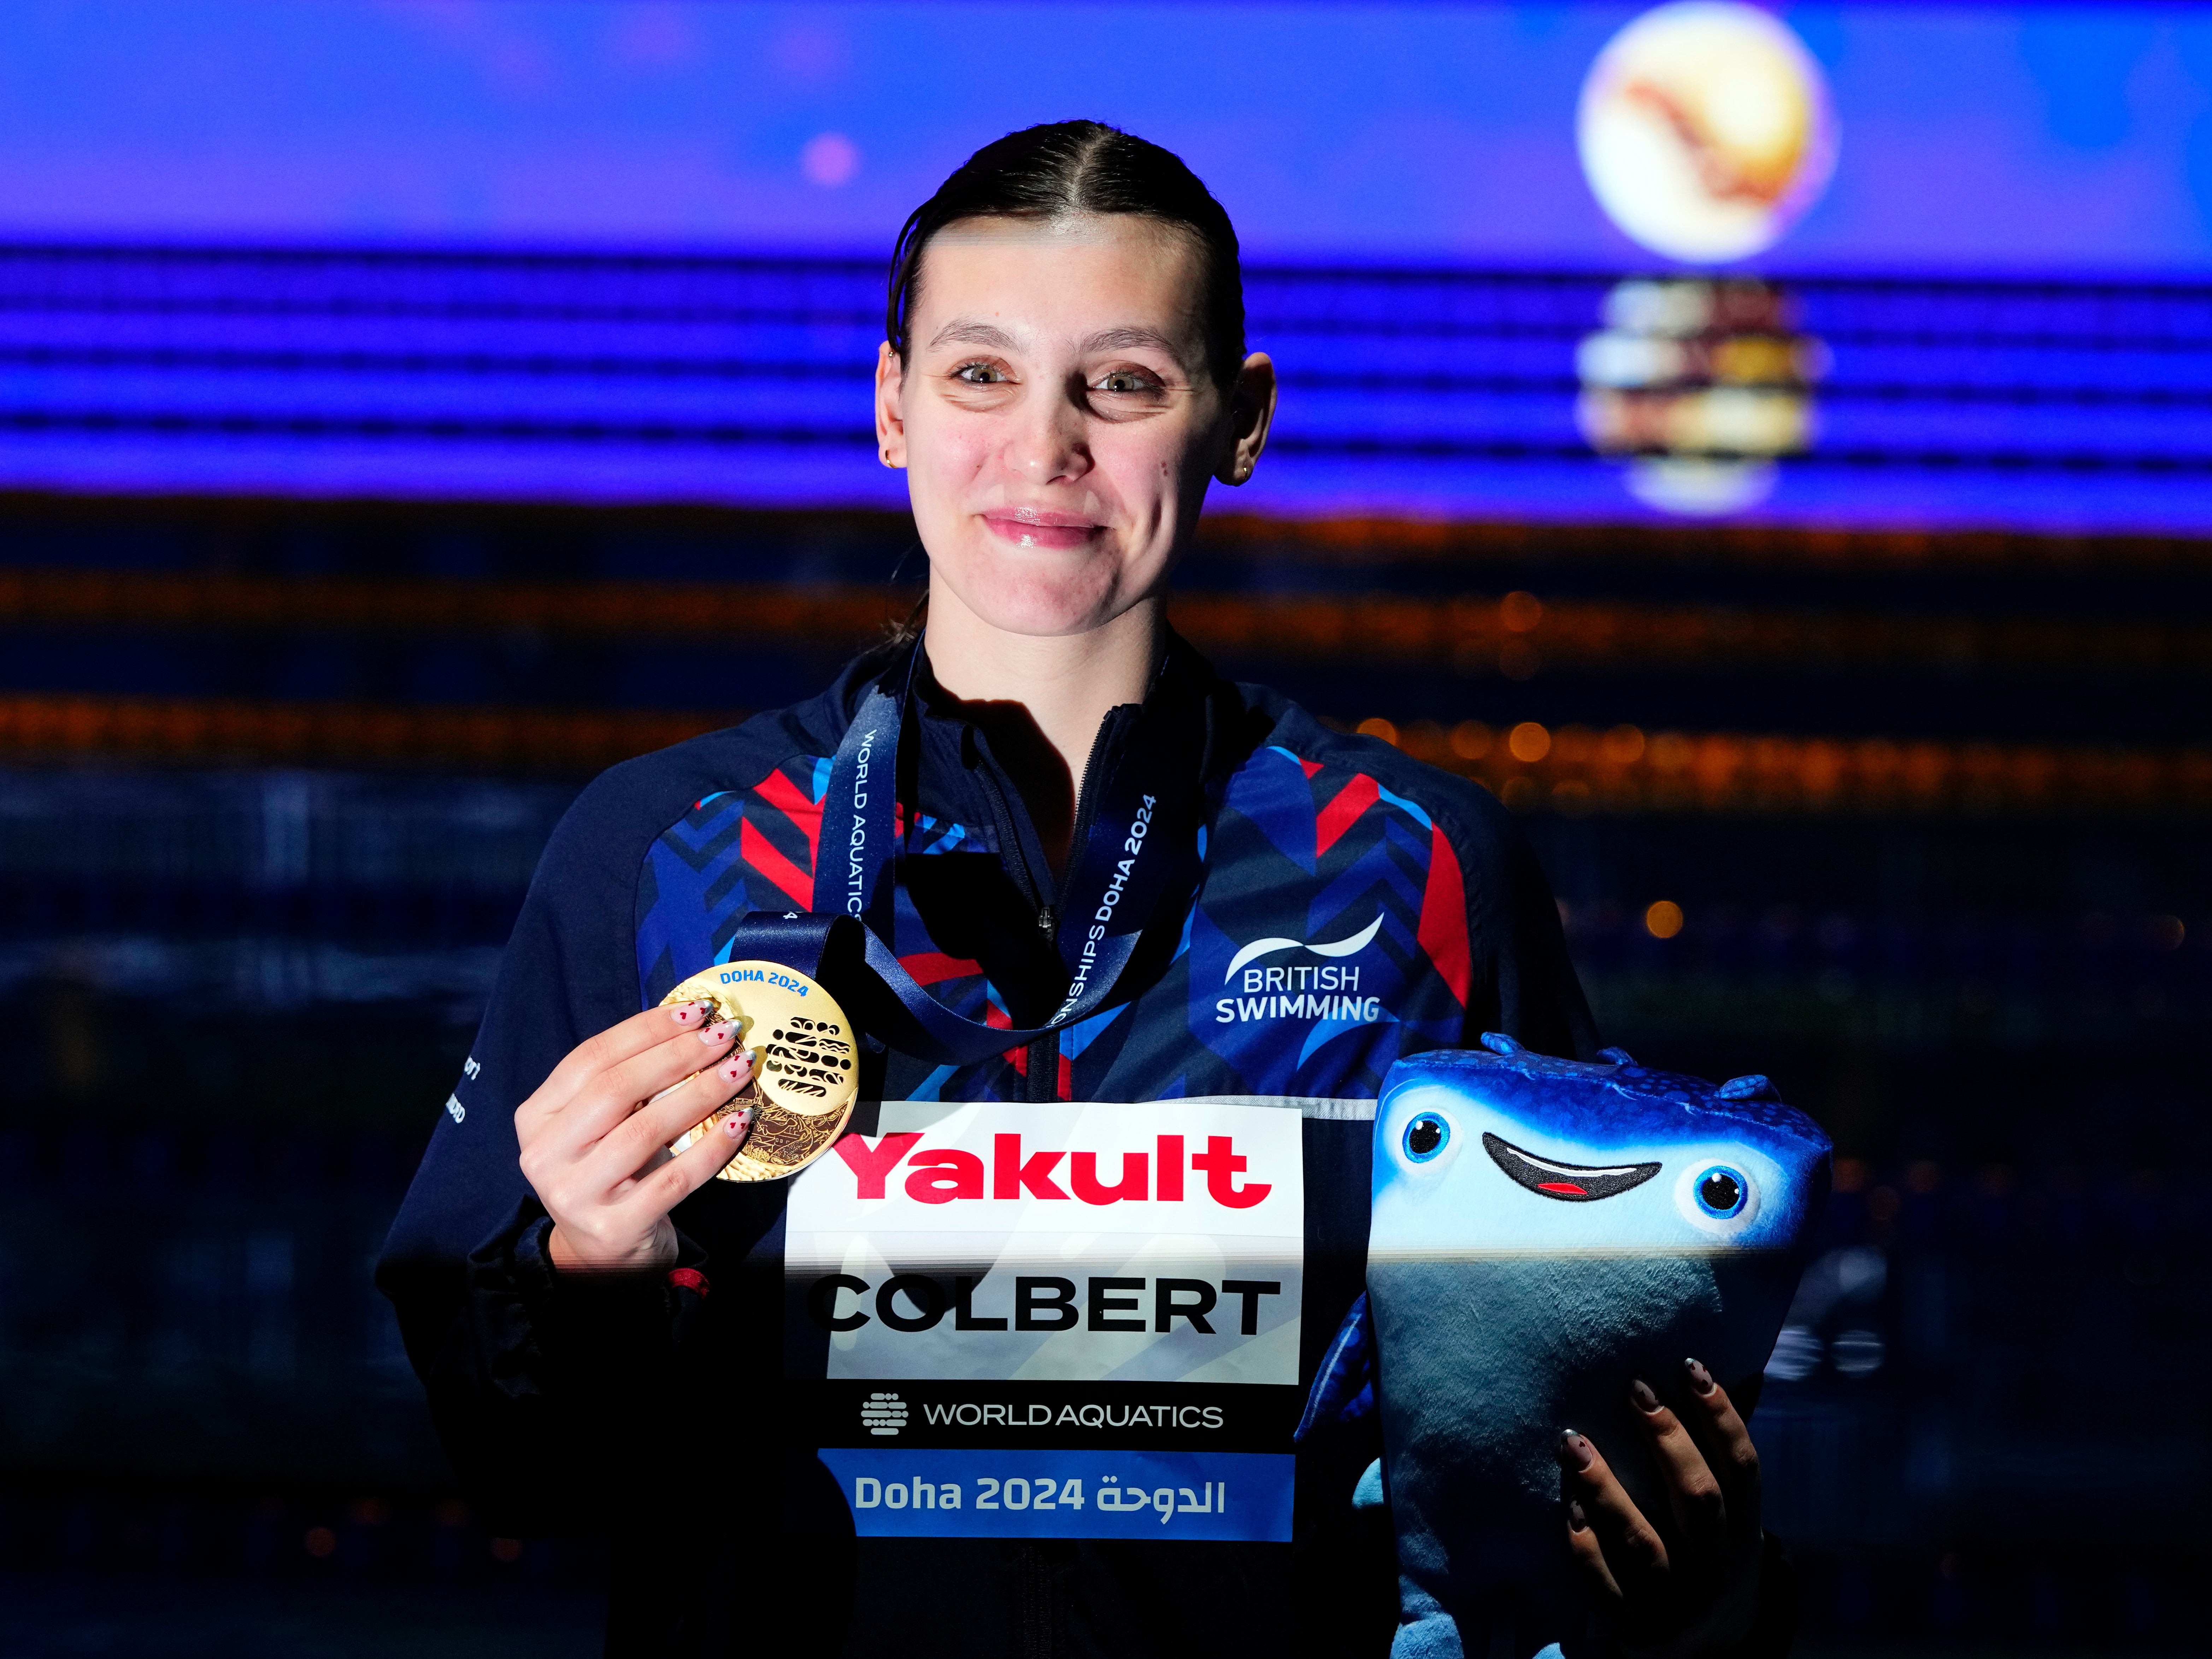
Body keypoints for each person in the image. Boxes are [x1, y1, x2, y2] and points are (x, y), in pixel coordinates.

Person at [380, 121, 1787, 1658]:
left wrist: (1670, 1582)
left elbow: (1540, 1432)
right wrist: (585, 1275)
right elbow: (514, 1467)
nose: (1044, 447)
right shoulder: (659, 854)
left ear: (1237, 420)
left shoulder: (1419, 864)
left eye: (1120, 383)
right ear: (890, 405)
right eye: (980, 373)